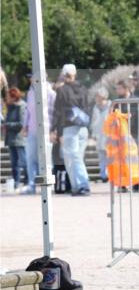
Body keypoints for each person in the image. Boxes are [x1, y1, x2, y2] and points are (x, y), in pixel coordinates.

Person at [50, 64, 92, 196]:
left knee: (72, 158)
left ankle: (82, 185)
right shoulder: (84, 89)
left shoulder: (62, 91)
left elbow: (58, 112)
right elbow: (87, 108)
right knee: (77, 157)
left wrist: (56, 131)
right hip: (83, 128)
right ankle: (76, 186)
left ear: (63, 74)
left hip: (69, 129)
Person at [20, 77, 55, 195]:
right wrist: (25, 126)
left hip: (46, 129)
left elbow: (54, 112)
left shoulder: (50, 92)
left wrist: (53, 130)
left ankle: (49, 185)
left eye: (33, 78)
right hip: (32, 130)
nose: (31, 80)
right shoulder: (30, 92)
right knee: (30, 158)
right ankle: (32, 184)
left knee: (46, 159)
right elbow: (28, 112)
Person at [3, 87, 27, 190]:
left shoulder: (21, 106)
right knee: (14, 163)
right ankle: (16, 183)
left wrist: (7, 125)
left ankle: (27, 182)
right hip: (11, 139)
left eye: (8, 96)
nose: (6, 98)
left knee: (24, 161)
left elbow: (22, 123)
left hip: (19, 139)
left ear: (14, 97)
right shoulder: (10, 107)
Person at [90, 87, 112, 182]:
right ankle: (104, 175)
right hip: (99, 136)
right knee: (102, 157)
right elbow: (93, 121)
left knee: (110, 156)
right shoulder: (95, 108)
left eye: (98, 96)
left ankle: (110, 174)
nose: (96, 98)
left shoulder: (111, 106)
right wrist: (93, 134)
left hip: (109, 135)